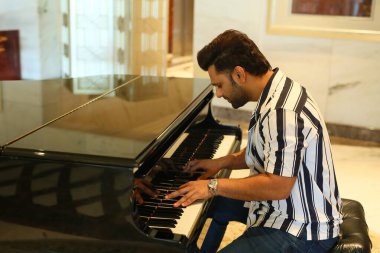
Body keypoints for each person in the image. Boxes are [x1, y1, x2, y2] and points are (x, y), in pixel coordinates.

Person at [165, 29, 343, 253]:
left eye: (219, 85)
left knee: (214, 195)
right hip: (282, 210)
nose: (218, 94)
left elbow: (277, 186)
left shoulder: (282, 112)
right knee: (213, 205)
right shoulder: (275, 91)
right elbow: (264, 152)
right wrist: (221, 163)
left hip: (303, 230)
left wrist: (213, 186)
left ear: (239, 74)